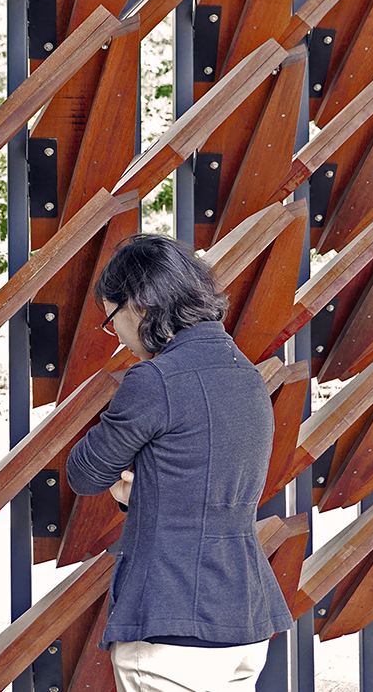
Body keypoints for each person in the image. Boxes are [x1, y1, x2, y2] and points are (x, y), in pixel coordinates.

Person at [66, 234, 293, 692]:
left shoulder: (156, 380)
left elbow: (85, 472)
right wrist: (144, 494)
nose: (118, 336)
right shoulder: (245, 374)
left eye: (113, 319)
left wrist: (127, 482)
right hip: (242, 622)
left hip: (173, 629)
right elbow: (203, 479)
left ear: (138, 307)